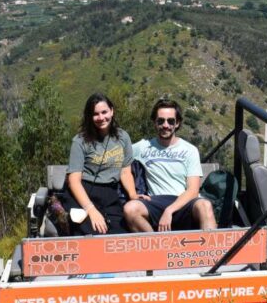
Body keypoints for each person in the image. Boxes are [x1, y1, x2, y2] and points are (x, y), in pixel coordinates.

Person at [123, 99, 217, 232]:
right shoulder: (143, 147)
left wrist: (169, 210)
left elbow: (193, 190)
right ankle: (155, 248)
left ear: (177, 123)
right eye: (160, 121)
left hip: (183, 201)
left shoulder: (189, 150)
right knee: (130, 209)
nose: (165, 125)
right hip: (155, 202)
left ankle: (210, 250)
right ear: (154, 123)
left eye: (170, 121)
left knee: (205, 205)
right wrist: (132, 194)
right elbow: (119, 159)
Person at [65, 93, 138, 235]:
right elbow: (74, 181)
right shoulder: (80, 141)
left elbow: (125, 172)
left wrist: (133, 195)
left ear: (112, 111)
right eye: (95, 114)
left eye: (104, 112)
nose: (101, 118)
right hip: (83, 194)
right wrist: (91, 210)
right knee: (93, 235)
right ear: (89, 117)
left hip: (110, 195)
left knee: (120, 235)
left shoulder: (123, 137)